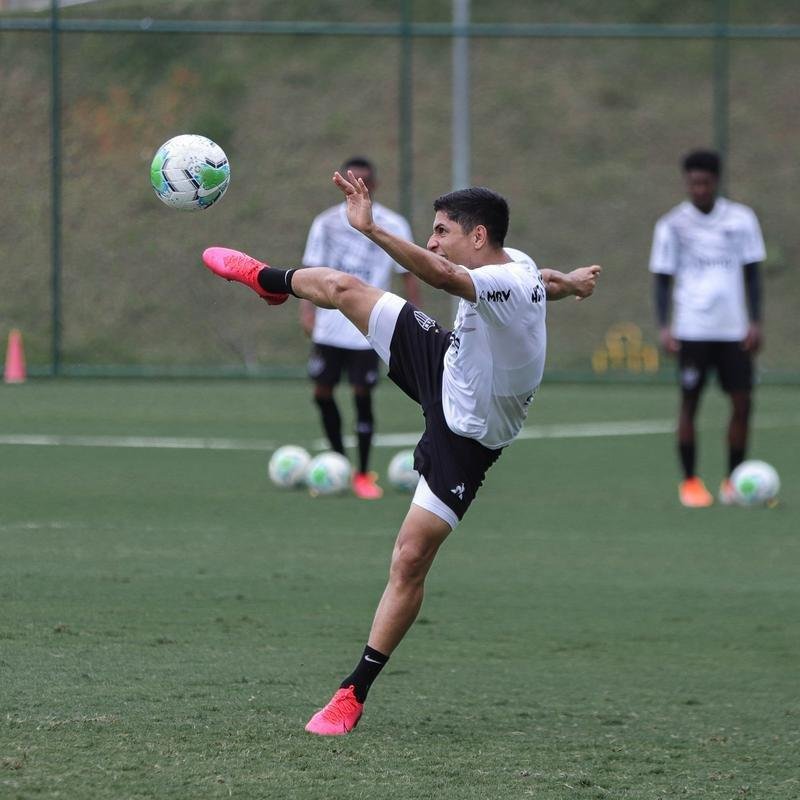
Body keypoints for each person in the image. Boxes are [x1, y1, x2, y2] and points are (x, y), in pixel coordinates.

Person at [202, 172, 601, 735]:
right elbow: (545, 281)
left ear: (478, 236)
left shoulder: (501, 281)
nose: (434, 240)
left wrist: (369, 230)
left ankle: (352, 692)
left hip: (467, 437)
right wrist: (574, 282)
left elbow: (440, 275)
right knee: (343, 289)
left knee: (410, 558)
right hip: (446, 363)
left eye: (442, 231)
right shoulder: (521, 267)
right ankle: (270, 280)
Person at [649, 149, 766, 508]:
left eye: (705, 182)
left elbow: (752, 274)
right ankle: (690, 482)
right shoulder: (671, 225)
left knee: (742, 403)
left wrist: (755, 321)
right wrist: (665, 326)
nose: (698, 189)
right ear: (687, 183)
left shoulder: (742, 219)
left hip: (733, 330)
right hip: (692, 330)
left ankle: (733, 482)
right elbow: (662, 279)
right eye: (693, 183)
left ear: (715, 182)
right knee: (689, 403)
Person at [300, 156, 420, 500]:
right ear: (341, 182)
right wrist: (306, 311)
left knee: (361, 395)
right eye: (351, 179)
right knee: (322, 393)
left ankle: (364, 474)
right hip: (329, 327)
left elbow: (408, 273)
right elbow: (309, 270)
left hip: (369, 325)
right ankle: (337, 463)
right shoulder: (324, 223)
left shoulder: (392, 224)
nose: (357, 185)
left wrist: (414, 318)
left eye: (364, 180)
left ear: (374, 185)